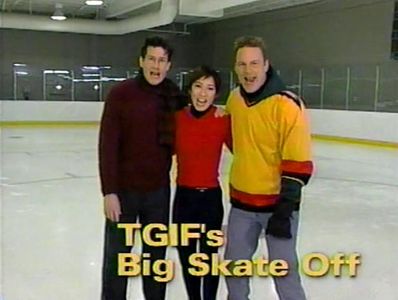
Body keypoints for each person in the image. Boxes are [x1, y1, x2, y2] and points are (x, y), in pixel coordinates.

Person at [224, 36, 314, 300]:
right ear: (236, 68)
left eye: (254, 63)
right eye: (242, 64)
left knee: (284, 273)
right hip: (242, 205)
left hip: (278, 206)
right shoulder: (234, 100)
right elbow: (234, 141)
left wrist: (284, 209)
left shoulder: (287, 105)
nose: (248, 70)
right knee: (234, 269)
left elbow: (299, 162)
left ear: (266, 65)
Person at [98, 36, 186, 300]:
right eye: (151, 59)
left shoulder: (173, 96)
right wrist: (109, 192)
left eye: (161, 60)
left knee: (155, 259)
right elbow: (107, 145)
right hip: (123, 193)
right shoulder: (121, 94)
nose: (156, 66)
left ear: (168, 65)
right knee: (117, 259)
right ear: (141, 61)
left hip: (157, 193)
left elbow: (198, 115)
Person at [173, 65, 231, 300]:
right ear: (190, 90)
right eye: (198, 86)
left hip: (210, 199)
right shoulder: (176, 119)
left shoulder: (223, 119)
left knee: (208, 258)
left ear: (216, 94)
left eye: (209, 88)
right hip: (184, 199)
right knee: (187, 256)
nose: (203, 94)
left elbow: (245, 149)